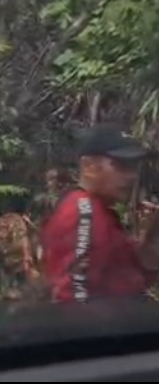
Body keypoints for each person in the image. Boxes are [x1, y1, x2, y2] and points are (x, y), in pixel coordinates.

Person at [41, 124, 159, 303]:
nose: (132, 176)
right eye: (121, 165)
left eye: (134, 167)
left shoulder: (101, 213)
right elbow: (72, 298)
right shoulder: (83, 213)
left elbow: (131, 278)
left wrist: (150, 237)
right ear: (89, 167)